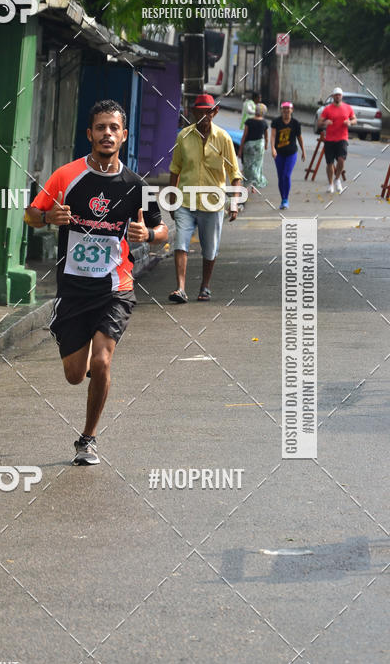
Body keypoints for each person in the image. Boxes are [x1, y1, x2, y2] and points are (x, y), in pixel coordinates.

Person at [24, 100, 168, 465]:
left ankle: (87, 439)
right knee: (75, 376)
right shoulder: (66, 176)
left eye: (114, 128)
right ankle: (81, 355)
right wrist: (48, 218)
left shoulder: (137, 186)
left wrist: (147, 234)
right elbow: (31, 214)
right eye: (100, 127)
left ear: (123, 135)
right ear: (90, 134)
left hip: (115, 289)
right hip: (73, 290)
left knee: (102, 361)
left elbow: (163, 231)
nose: (107, 133)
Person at [168, 93, 243, 303]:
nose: (204, 116)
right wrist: (172, 199)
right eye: (200, 112)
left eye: (208, 112)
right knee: (180, 243)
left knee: (210, 248)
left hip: (213, 203)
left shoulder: (223, 138)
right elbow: (175, 169)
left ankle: (205, 286)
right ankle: (180, 289)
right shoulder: (183, 136)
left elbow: (235, 175)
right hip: (185, 200)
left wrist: (234, 203)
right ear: (193, 112)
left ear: (215, 112)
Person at [317, 87, 357, 193]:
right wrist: (325, 123)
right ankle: (330, 184)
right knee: (329, 163)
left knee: (341, 160)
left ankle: (337, 178)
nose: (337, 96)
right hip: (330, 139)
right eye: (336, 95)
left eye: (339, 95)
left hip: (342, 138)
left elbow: (354, 119)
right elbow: (319, 122)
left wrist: (350, 122)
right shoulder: (327, 109)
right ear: (333, 96)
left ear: (342, 96)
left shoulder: (348, 108)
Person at [270, 102, 306, 209]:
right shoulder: (276, 122)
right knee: (280, 177)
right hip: (279, 154)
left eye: (288, 109)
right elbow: (272, 136)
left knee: (286, 175)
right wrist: (272, 148)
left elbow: (299, 138)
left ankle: (286, 199)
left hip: (291, 153)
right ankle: (283, 199)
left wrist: (303, 151)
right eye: (284, 109)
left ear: (292, 110)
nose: (286, 111)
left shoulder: (295, 123)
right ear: (281, 110)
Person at [239, 102, 268, 195]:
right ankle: (254, 187)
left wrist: (240, 149)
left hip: (249, 147)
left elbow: (244, 136)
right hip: (259, 147)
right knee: (257, 166)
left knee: (247, 166)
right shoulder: (264, 123)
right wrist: (266, 145)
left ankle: (246, 186)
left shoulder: (249, 121)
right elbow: (266, 137)